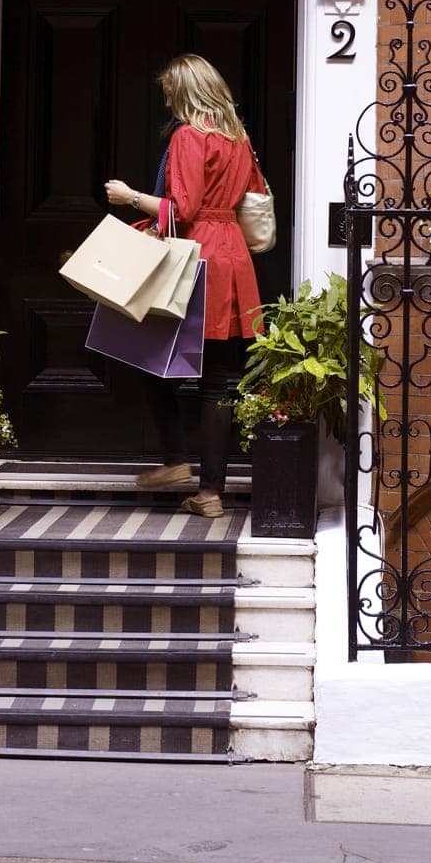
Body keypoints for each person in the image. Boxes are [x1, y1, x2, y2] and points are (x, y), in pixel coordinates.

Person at [105, 53, 265, 518]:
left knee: (147, 357)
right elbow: (252, 197)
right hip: (232, 256)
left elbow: (184, 209)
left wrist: (130, 197)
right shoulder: (239, 138)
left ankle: (176, 460)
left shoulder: (189, 136)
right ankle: (211, 493)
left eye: (169, 92)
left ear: (186, 92)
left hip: (197, 257)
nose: (166, 101)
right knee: (216, 380)